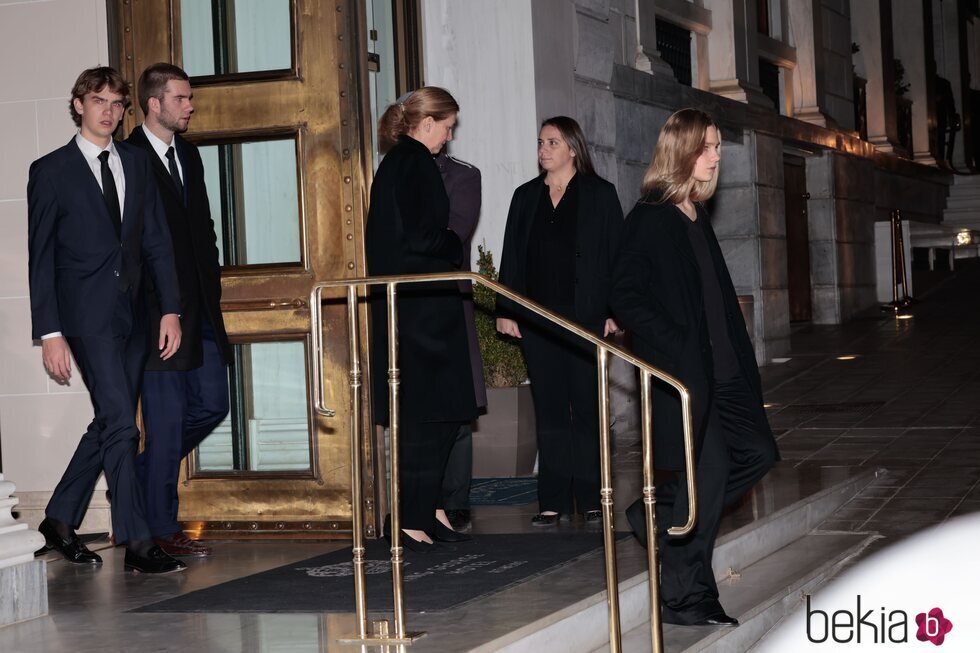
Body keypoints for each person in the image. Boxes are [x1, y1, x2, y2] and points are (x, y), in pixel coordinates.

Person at [610, 108, 778, 627]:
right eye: (707, 147)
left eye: (718, 148)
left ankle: (658, 520)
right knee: (708, 477)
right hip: (687, 377)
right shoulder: (650, 216)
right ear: (681, 151)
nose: (714, 157)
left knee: (758, 453)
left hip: (725, 373)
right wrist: (678, 344)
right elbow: (625, 295)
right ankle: (685, 597)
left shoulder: (695, 214)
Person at [28, 66, 185, 574]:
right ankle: (138, 543)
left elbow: (158, 241)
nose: (109, 112)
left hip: (138, 314)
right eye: (99, 101)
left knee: (111, 421)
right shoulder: (49, 170)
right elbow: (41, 257)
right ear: (79, 105)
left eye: (118, 104)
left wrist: (171, 309)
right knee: (122, 422)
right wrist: (50, 334)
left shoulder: (137, 164)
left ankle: (58, 518)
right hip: (86, 316)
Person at [496, 116, 624, 527]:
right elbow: (512, 259)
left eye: (552, 142)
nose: (543, 149)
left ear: (572, 148)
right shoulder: (525, 197)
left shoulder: (600, 195)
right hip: (538, 318)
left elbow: (617, 259)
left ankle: (590, 495)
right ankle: (550, 499)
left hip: (585, 318)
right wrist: (506, 310)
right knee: (549, 408)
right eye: (540, 142)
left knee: (586, 408)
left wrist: (615, 311)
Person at [127, 63, 232, 558]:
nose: (190, 106)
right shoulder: (126, 157)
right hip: (157, 316)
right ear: (155, 103)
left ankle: (138, 483)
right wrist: (159, 308)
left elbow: (203, 229)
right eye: (182, 98)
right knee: (165, 426)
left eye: (189, 98)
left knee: (215, 403)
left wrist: (211, 289)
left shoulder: (189, 154)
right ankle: (161, 528)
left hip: (201, 311)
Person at [366, 87, 477, 551]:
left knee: (441, 417)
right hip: (419, 316)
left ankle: (423, 512)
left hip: (419, 311)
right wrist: (453, 243)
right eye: (447, 127)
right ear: (426, 122)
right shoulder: (411, 162)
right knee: (426, 418)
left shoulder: (402, 162)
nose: (449, 137)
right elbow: (422, 238)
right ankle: (410, 519)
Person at [436, 150, 486, 533]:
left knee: (457, 401)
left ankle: (455, 501)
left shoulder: (463, 176)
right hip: (406, 301)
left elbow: (455, 235)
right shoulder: (397, 169)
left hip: (449, 299)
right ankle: (426, 500)